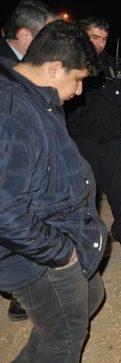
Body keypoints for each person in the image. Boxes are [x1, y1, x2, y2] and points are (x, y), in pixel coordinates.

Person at [0, 20, 107, 363]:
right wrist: (61, 253)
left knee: (91, 295)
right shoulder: (14, 114)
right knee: (65, 336)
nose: (79, 91)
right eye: (77, 79)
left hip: (55, 231)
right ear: (53, 67)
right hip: (34, 255)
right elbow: (5, 213)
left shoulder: (35, 97)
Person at [0, 0, 58, 323]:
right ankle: (21, 293)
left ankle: (22, 293)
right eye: (44, 33)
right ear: (24, 34)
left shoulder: (32, 62)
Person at [66, 17, 121, 260]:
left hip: (113, 144)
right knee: (85, 201)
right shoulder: (69, 63)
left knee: (120, 197)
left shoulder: (113, 66)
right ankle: (87, 249)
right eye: (94, 37)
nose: (99, 43)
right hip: (81, 144)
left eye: (104, 38)